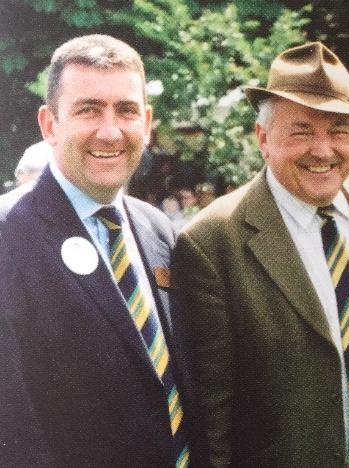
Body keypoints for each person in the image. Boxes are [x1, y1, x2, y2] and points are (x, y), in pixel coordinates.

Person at [172, 41, 349, 467]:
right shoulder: (212, 241)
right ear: (263, 138)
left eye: (338, 131)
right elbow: (212, 418)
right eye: (302, 131)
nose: (323, 149)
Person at [0, 35, 204, 467]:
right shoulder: (8, 238)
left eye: (126, 110)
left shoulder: (157, 231)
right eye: (88, 109)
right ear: (49, 124)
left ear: (147, 124)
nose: (110, 131)